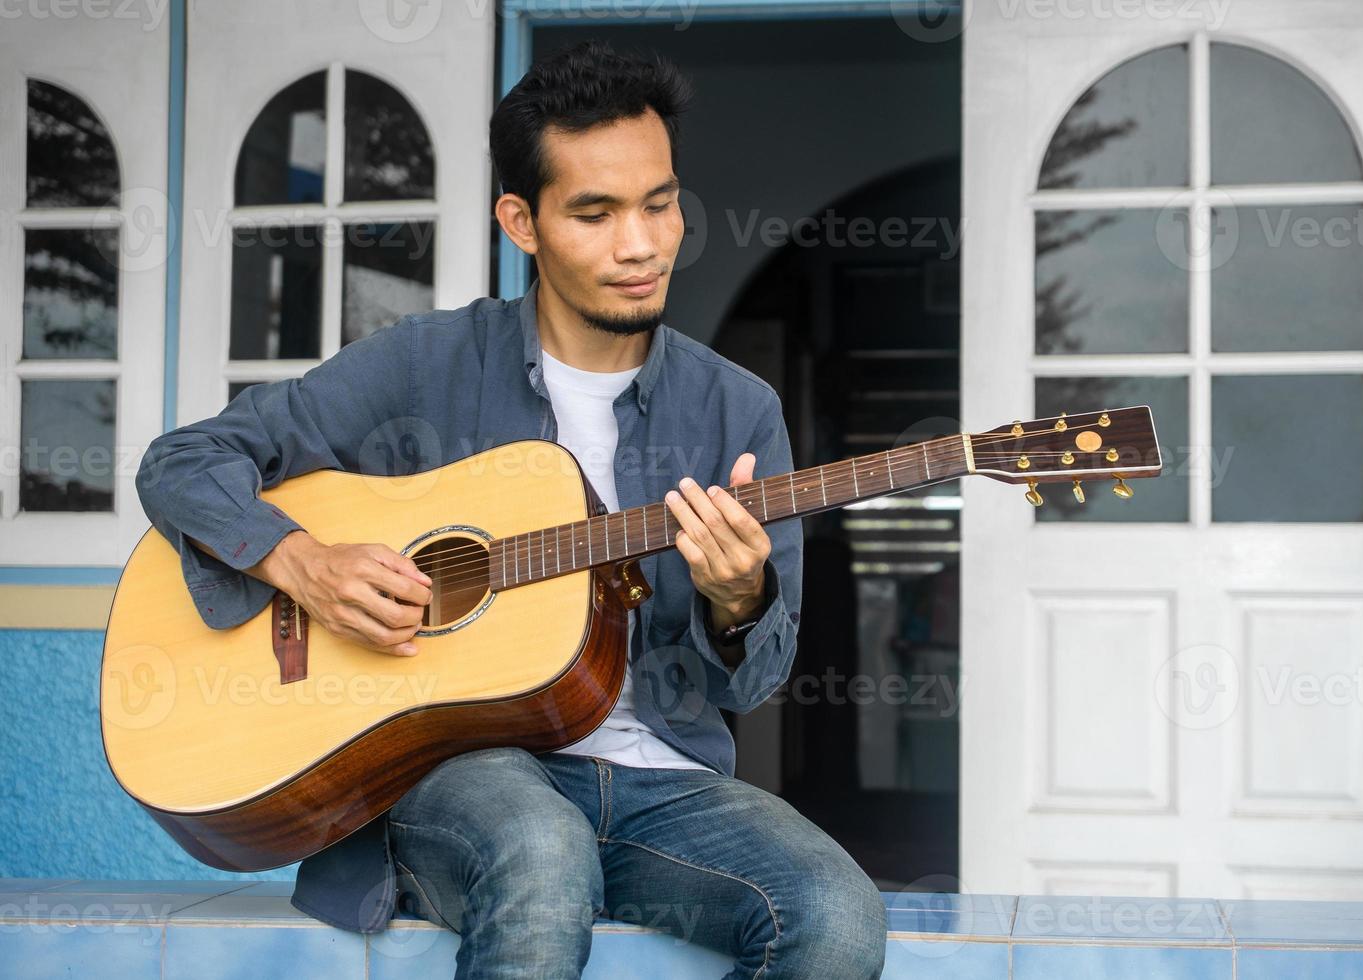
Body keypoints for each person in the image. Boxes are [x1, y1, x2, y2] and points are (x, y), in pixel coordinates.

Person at [135, 38, 887, 980]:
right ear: (520, 222)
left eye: (659, 204)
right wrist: (299, 561)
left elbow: (750, 687)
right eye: (596, 212)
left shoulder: (738, 411)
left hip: (665, 787)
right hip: (463, 773)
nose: (641, 244)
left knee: (838, 915)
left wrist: (738, 600)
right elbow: (184, 460)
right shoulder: (425, 364)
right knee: (541, 854)